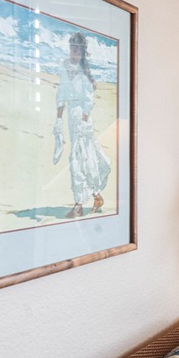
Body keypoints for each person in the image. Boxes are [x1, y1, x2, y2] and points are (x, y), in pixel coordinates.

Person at [52, 32, 111, 218]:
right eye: (72, 48)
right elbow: (61, 94)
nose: (73, 53)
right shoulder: (64, 66)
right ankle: (96, 196)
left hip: (82, 119)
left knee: (80, 158)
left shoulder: (84, 72)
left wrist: (84, 123)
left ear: (82, 52)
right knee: (82, 157)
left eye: (77, 50)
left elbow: (88, 100)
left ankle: (79, 204)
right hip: (71, 115)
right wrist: (59, 118)